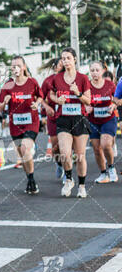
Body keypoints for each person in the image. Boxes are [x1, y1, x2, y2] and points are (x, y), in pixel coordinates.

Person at [49, 47, 91, 198]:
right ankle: (68, 179)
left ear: (74, 59)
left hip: (79, 119)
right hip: (63, 119)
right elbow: (51, 94)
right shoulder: (57, 78)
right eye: (63, 58)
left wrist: (77, 93)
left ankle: (81, 185)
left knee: (80, 155)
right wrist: (57, 100)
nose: (65, 61)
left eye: (68, 58)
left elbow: (88, 100)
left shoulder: (83, 78)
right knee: (65, 154)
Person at [0, 56, 43, 194]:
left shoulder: (32, 82)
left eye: (18, 65)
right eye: (13, 66)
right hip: (15, 125)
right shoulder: (8, 85)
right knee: (22, 154)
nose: (15, 68)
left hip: (31, 122)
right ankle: (30, 178)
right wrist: (5, 102)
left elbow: (40, 96)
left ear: (23, 67)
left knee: (24, 148)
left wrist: (37, 103)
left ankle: (31, 180)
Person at [87, 61, 118, 183]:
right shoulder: (87, 86)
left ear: (102, 71)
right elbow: (83, 101)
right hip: (93, 121)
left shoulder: (110, 85)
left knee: (105, 144)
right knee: (96, 148)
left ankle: (111, 168)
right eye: (92, 71)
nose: (95, 73)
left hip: (108, 119)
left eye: (97, 70)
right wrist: (86, 108)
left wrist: (114, 104)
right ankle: (103, 174)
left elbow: (118, 98)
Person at [40, 58, 64, 180]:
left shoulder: (69, 79)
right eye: (55, 65)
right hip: (53, 117)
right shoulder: (47, 81)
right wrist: (46, 107)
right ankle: (59, 164)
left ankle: (67, 172)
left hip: (67, 117)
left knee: (66, 146)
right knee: (55, 147)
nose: (56, 67)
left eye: (59, 65)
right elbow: (40, 98)